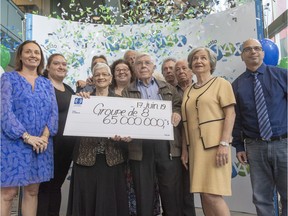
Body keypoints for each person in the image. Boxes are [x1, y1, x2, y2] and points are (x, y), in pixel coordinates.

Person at [1, 40, 58, 216]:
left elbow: (53, 113)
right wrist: (26, 136)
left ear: (41, 58)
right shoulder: (8, 78)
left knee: (32, 191)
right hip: (13, 143)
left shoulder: (46, 83)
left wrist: (45, 137)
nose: (33, 55)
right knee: (8, 193)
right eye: (28, 52)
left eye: (37, 52)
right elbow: (4, 111)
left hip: (41, 145)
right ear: (20, 56)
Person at [122, 53, 183, 216]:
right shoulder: (127, 91)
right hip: (139, 147)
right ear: (134, 69)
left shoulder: (168, 88)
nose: (143, 66)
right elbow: (124, 117)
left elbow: (178, 105)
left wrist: (177, 113)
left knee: (170, 192)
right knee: (144, 193)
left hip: (166, 146)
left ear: (153, 67)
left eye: (147, 63)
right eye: (139, 63)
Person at [232, 38, 287, 216]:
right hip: (254, 147)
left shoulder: (281, 75)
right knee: (261, 197)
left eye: (257, 48)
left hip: (283, 144)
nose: (253, 52)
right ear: (242, 56)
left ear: (263, 53)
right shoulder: (237, 85)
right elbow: (237, 118)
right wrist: (239, 146)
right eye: (248, 49)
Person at [67, 62, 129, 216]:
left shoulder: (122, 102)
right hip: (85, 160)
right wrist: (79, 102)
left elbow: (128, 131)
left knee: (110, 204)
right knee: (86, 204)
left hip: (112, 160)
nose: (101, 77)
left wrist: (125, 137)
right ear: (92, 79)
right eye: (97, 75)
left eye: (104, 74)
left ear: (110, 78)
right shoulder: (83, 98)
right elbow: (74, 126)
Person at [182, 47, 236, 216]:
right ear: (191, 64)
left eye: (203, 58)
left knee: (213, 194)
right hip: (195, 149)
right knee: (204, 194)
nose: (198, 61)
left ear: (210, 63)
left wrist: (224, 144)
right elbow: (186, 122)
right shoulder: (188, 90)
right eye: (195, 58)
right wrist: (185, 150)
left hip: (216, 147)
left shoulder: (221, 84)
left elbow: (230, 114)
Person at [37, 54, 76, 216]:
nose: (61, 67)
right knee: (44, 188)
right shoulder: (42, 85)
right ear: (48, 67)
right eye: (57, 63)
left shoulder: (68, 89)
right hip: (47, 146)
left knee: (56, 187)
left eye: (64, 64)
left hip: (66, 149)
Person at [174, 59, 196, 216]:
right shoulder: (170, 91)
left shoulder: (199, 88)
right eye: (178, 69)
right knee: (182, 188)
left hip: (199, 142)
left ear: (191, 71)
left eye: (184, 68)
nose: (181, 71)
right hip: (178, 144)